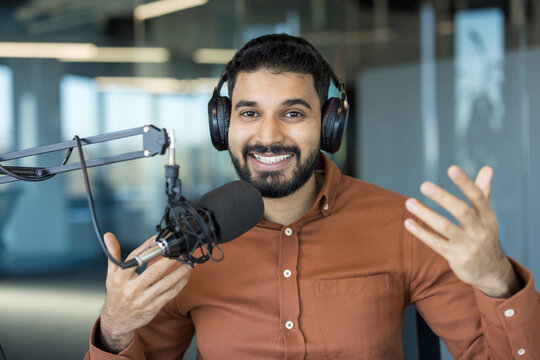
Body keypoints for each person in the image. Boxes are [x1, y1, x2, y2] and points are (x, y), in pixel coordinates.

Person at [85, 34, 540, 359]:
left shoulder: (403, 225)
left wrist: (497, 280)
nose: (268, 136)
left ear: (329, 125)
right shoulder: (187, 241)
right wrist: (115, 327)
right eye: (249, 113)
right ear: (223, 127)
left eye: (293, 113)